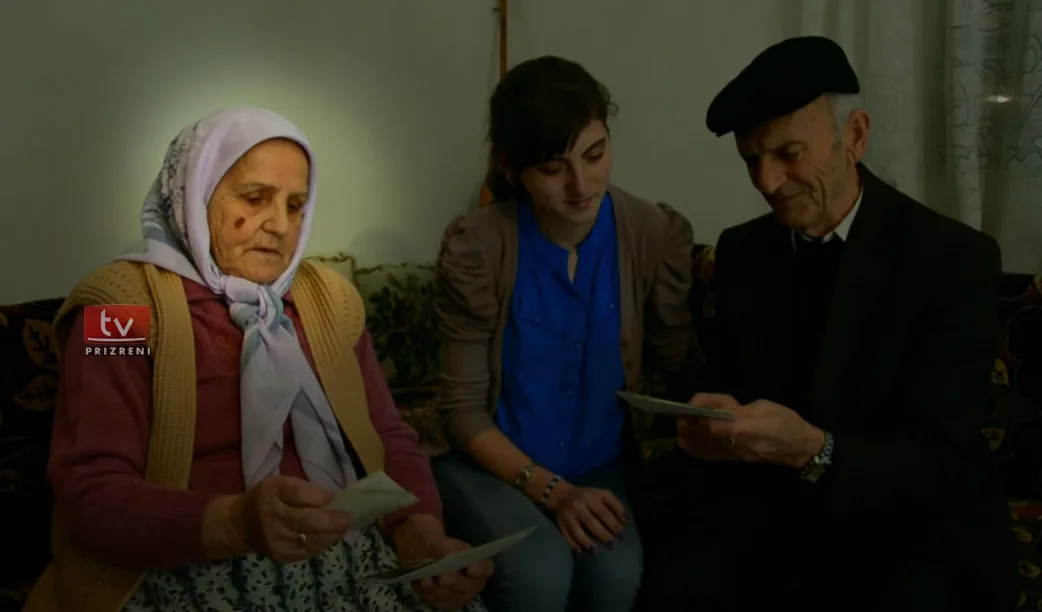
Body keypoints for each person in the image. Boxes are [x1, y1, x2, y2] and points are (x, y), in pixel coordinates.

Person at [23, 107, 492, 612]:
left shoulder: (330, 300)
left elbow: (387, 435)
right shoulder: (117, 310)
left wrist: (420, 530)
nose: (280, 225)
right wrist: (237, 522)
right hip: (184, 571)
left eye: (296, 205)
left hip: (349, 556)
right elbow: (91, 494)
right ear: (195, 195)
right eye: (254, 198)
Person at [635, 36, 1021, 612]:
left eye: (788, 153)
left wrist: (817, 450)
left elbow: (943, 457)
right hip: (773, 511)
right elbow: (733, 387)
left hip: (910, 523)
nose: (767, 183)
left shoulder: (952, 259)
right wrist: (712, 426)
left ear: (855, 137)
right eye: (751, 160)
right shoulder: (743, 251)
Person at [426, 56, 697, 612]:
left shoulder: (650, 231)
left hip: (599, 463)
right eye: (554, 168)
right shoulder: (480, 247)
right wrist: (554, 492)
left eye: (594, 155)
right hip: (487, 462)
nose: (581, 185)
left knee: (615, 578)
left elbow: (676, 363)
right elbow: (461, 412)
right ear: (511, 168)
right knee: (539, 571)